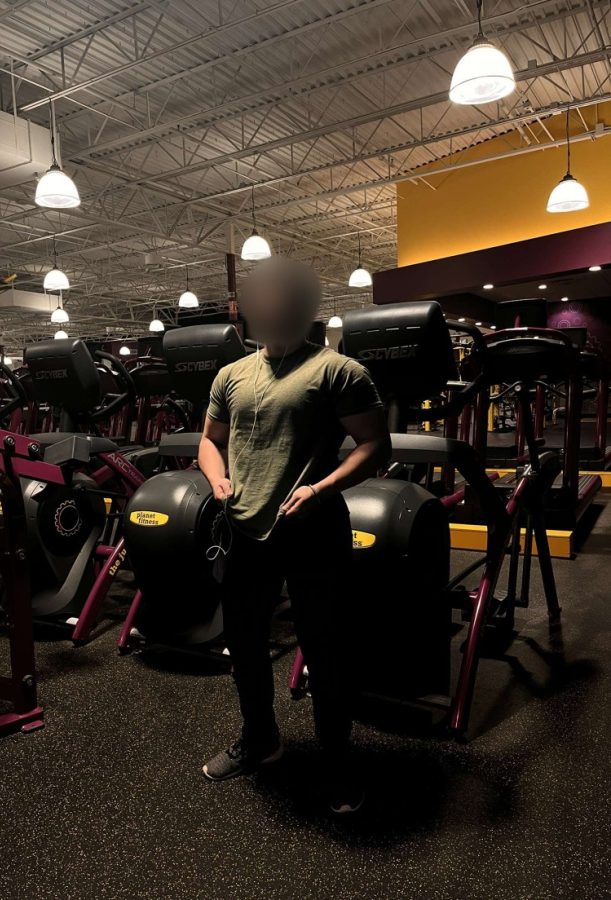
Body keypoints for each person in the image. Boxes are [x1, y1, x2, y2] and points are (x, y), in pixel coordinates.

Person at [198, 257, 389, 814]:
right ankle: (261, 741)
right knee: (247, 646)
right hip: (244, 531)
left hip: (311, 528)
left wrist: (322, 489)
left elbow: (376, 445)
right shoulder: (231, 375)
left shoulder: (337, 370)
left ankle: (336, 761)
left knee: (325, 650)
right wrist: (217, 478)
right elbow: (209, 440)